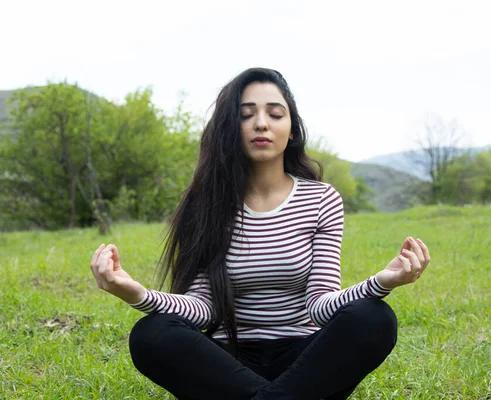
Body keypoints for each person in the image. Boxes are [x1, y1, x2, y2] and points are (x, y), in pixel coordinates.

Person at [89, 67, 431, 400]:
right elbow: (202, 308)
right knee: (152, 334)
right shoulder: (206, 204)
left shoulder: (320, 199)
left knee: (373, 318)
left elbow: (320, 307)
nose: (261, 123)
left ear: (292, 130)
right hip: (227, 366)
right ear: (229, 128)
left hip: (306, 365)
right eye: (246, 114)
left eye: (275, 114)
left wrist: (383, 282)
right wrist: (135, 293)